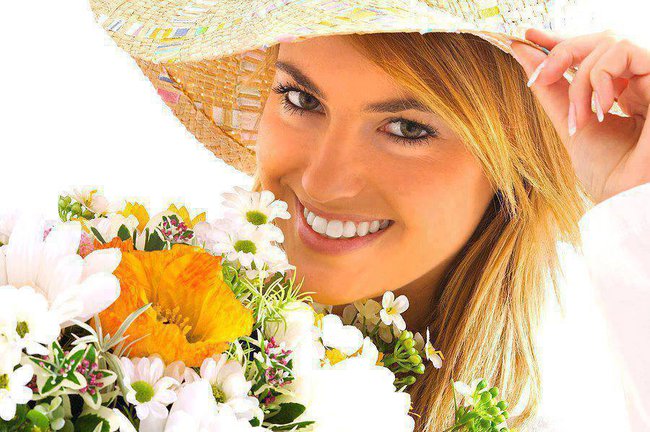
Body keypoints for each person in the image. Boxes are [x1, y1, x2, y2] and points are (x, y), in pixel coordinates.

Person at [89, 1, 650, 430]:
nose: (321, 182)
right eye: (301, 99)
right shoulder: (105, 335)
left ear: (511, 166)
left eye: (407, 128)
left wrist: (635, 202)